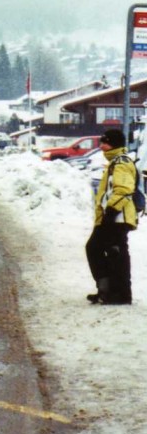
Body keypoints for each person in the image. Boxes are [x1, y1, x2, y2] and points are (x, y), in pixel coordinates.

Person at [85, 128, 138, 305]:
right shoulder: (115, 162)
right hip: (113, 217)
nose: (101, 146)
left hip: (117, 217)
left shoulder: (121, 162)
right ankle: (109, 291)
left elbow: (123, 189)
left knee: (112, 252)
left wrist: (111, 211)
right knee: (107, 251)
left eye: (105, 142)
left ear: (114, 144)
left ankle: (118, 294)